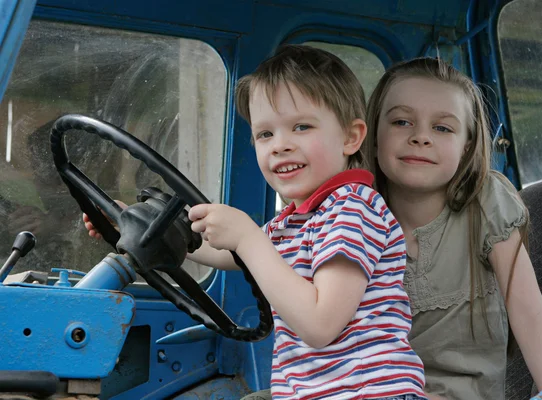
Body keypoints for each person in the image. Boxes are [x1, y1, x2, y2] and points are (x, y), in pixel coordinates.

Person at [85, 45, 427, 400]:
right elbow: (228, 253)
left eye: (301, 126)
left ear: (350, 137)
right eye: (266, 134)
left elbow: (320, 325)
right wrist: (134, 223)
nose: (280, 145)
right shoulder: (297, 219)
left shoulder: (353, 209)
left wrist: (248, 238)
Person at [363, 57, 542, 399]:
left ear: (467, 146)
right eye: (402, 122)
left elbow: (529, 311)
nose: (420, 137)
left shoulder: (486, 203)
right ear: (372, 137)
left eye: (442, 128)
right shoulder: (354, 217)